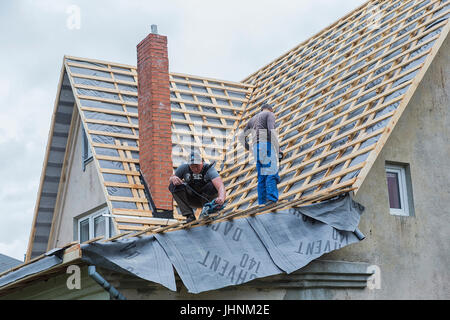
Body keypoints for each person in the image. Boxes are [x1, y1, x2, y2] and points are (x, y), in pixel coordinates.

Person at [238, 103, 283, 206]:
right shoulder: (269, 115)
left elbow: (241, 137)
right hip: (265, 144)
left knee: (261, 176)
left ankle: (262, 203)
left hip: (256, 147)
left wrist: (250, 149)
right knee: (271, 171)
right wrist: (278, 149)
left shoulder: (252, 120)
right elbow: (271, 131)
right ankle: (271, 199)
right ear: (270, 110)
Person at [169, 150, 226, 223]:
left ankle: (207, 211)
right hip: (192, 198)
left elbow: (220, 186)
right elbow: (171, 178)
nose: (195, 169)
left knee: (212, 185)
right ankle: (190, 216)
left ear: (202, 162)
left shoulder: (209, 169)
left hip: (206, 198)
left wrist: (221, 198)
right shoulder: (184, 168)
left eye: (197, 166)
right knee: (173, 185)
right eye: (192, 167)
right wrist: (173, 178)